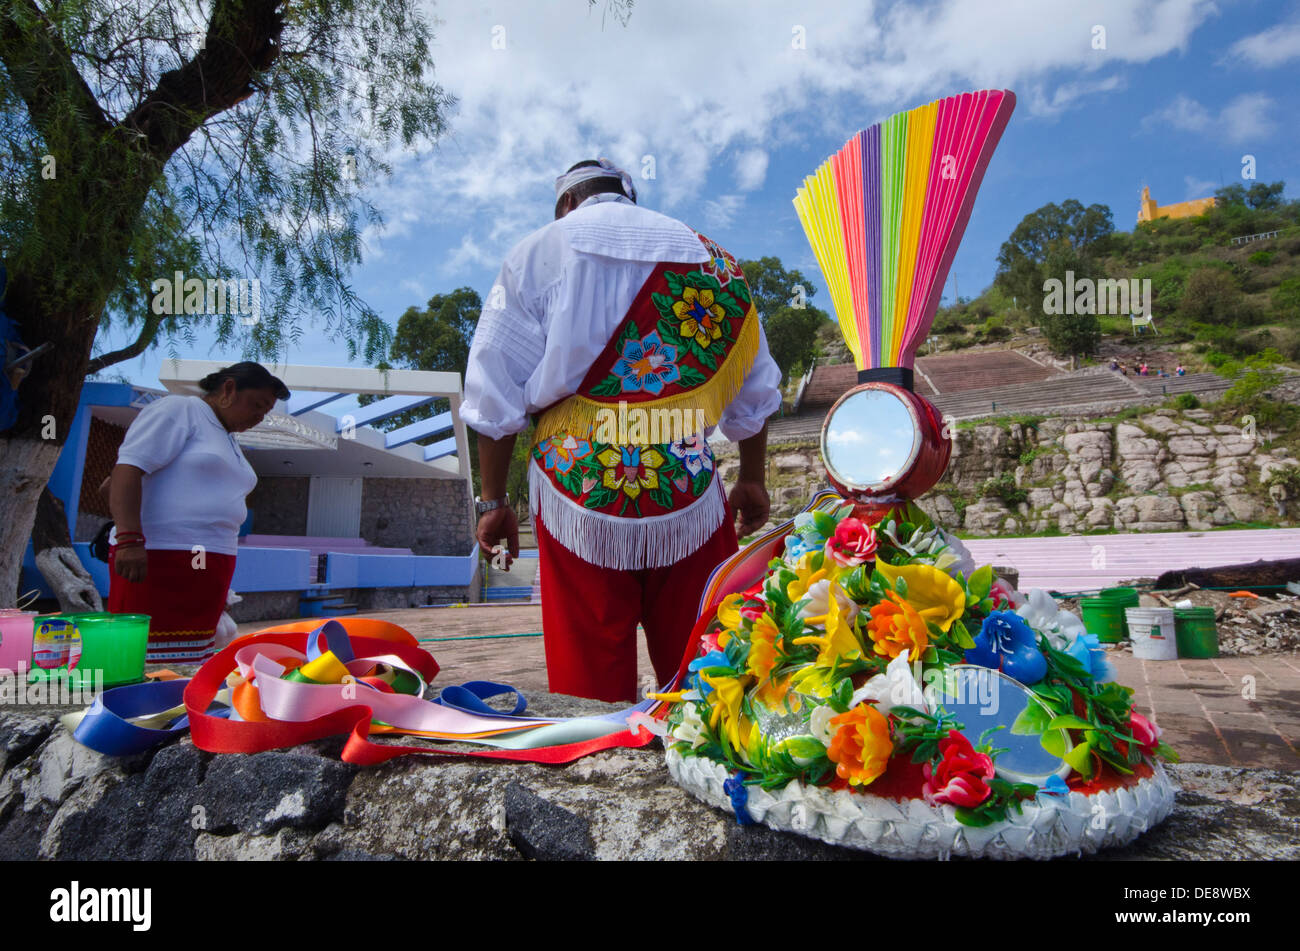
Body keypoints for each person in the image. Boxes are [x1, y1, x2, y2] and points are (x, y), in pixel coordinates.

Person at [462, 159, 782, 702]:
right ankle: (710, 759)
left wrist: (492, 500)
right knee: (707, 663)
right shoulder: (712, 259)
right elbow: (754, 387)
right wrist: (751, 477)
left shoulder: (535, 252)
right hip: (685, 482)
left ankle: (598, 763)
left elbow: (494, 387)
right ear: (627, 196)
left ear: (566, 204)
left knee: (589, 678)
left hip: (578, 485)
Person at [108, 362, 288, 664]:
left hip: (211, 563)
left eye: (264, 413)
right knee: (143, 659)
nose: (258, 418)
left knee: (192, 661)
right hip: (160, 557)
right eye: (256, 406)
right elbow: (126, 470)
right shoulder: (180, 410)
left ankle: (180, 710)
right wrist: (129, 538)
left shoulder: (227, 437)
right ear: (228, 389)